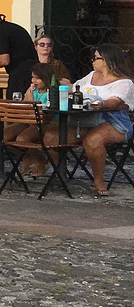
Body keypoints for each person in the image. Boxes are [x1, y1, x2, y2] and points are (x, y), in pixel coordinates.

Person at [49, 44, 134, 197]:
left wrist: (100, 103)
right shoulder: (92, 75)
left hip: (113, 121)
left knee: (93, 140)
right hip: (85, 119)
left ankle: (98, 180)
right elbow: (74, 87)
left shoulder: (124, 83)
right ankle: (61, 174)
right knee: (50, 137)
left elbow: (114, 102)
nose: (93, 61)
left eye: (96, 58)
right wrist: (52, 83)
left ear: (107, 60)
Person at [0, 8, 36, 98]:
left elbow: (4, 61)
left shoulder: (0, 34)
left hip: (20, 73)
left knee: (13, 103)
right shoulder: (12, 28)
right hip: (33, 70)